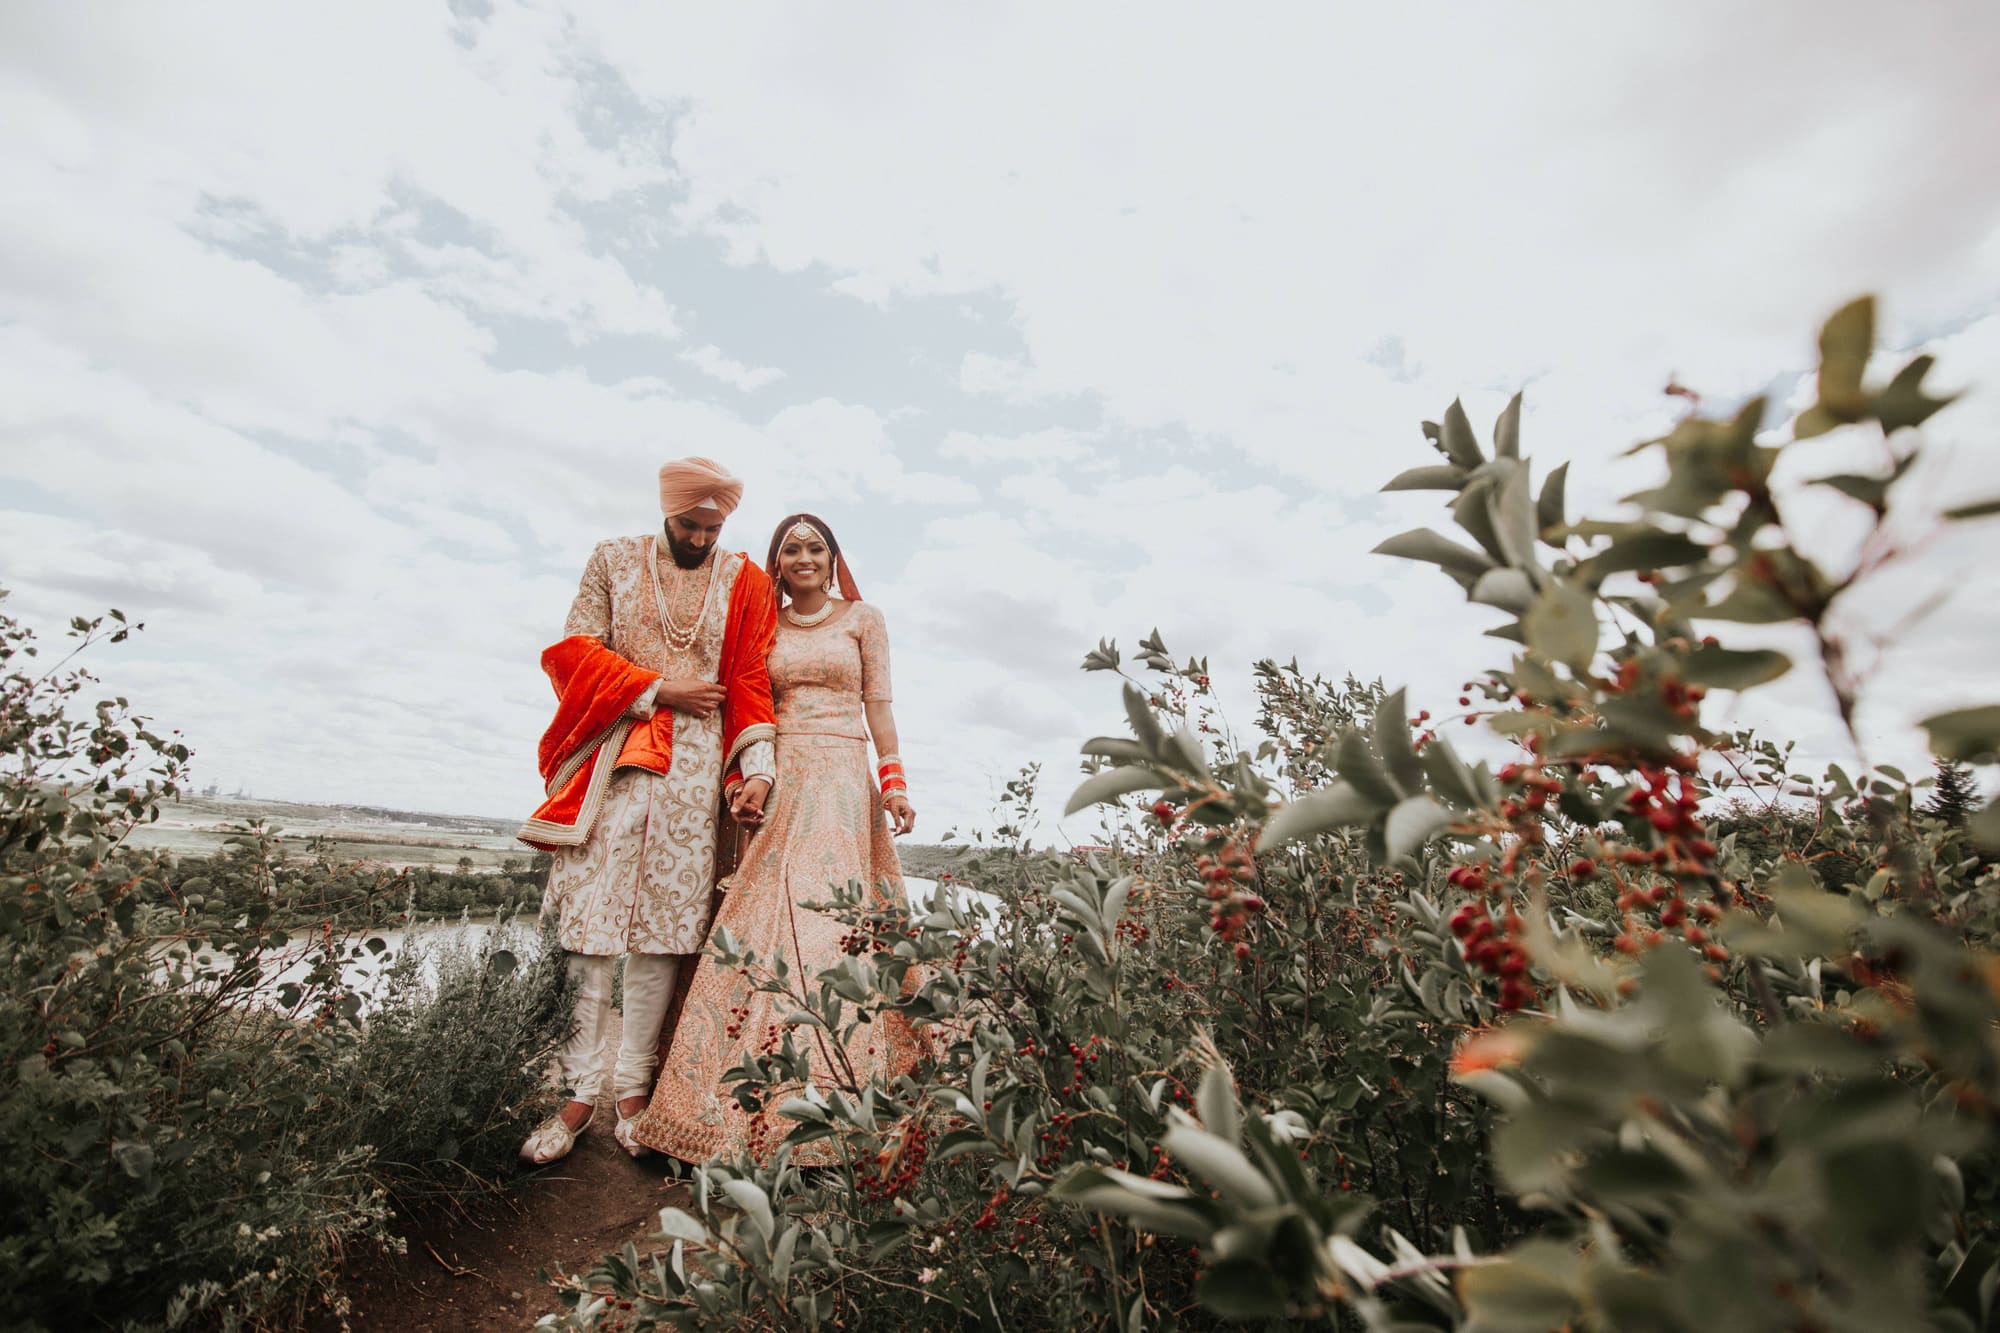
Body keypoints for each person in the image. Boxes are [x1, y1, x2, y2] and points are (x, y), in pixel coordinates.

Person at [628, 512, 921, 1165]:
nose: (805, 557)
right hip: (785, 779)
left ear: (833, 554)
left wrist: (894, 781)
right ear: (778, 561)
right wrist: (749, 777)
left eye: (816, 546)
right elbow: (750, 703)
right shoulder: (766, 623)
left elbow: (880, 707)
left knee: (834, 929)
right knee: (766, 924)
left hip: (845, 784)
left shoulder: (863, 619)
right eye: (792, 548)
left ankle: (848, 1107)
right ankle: (718, 1108)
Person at [514, 457, 778, 1165]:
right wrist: (661, 688)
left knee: (664, 937)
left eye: (713, 526)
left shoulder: (745, 581)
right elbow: (573, 652)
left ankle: (633, 1094)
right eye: (690, 523)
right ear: (667, 511)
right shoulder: (613, 560)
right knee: (589, 935)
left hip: (696, 778)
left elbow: (749, 679)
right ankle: (575, 1095)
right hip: (615, 763)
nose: (700, 536)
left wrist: (757, 766)